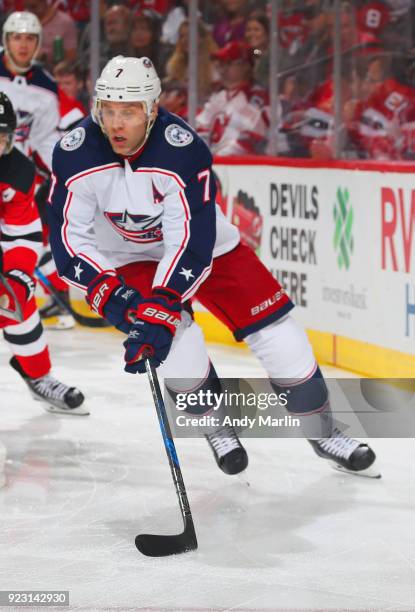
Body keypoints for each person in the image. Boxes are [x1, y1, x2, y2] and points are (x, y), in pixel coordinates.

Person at [48, 55, 378, 477]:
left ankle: (324, 431)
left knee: (284, 340)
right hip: (129, 258)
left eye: (128, 112)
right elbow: (68, 239)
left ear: (151, 108)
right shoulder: (75, 153)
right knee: (177, 349)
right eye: (108, 110)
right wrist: (111, 293)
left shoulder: (180, 148)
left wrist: (163, 301)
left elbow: (189, 239)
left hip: (209, 248)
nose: (116, 123)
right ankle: (216, 426)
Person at [0, 92, 87, 416]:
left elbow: (22, 234)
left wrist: (20, 275)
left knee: (16, 302)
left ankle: (38, 375)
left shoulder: (17, 171)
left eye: (1, 139)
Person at [0, 11, 75, 329]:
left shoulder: (46, 88)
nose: (23, 44)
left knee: (34, 238)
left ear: (39, 44)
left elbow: (45, 139)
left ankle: (55, 301)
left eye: (30, 38)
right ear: (6, 40)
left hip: (17, 174)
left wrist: (60, 174)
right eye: (17, 37)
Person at [196, 41, 268, 156]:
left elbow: (251, 140)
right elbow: (201, 125)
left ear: (245, 66)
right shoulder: (219, 96)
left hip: (242, 167)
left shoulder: (258, 99)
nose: (221, 69)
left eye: (228, 63)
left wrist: (217, 158)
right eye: (220, 63)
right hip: (215, 163)